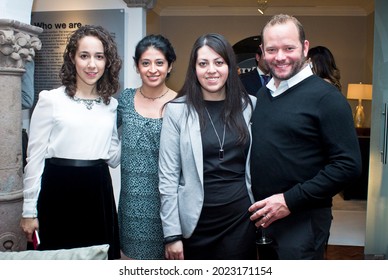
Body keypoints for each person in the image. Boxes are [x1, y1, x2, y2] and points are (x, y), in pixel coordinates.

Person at [248, 14, 362, 260]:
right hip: (266, 220)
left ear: (305, 47)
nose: (280, 57)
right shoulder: (264, 94)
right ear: (262, 52)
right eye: (272, 49)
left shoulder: (327, 99)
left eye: (289, 48)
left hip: (304, 222)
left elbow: (348, 166)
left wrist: (289, 200)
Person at [20, 25, 122, 260]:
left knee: (97, 262)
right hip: (57, 190)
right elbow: (34, 159)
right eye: (84, 56)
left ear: (107, 62)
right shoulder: (51, 99)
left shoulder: (111, 105)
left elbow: (113, 158)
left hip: (98, 191)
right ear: (72, 58)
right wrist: (28, 210)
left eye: (99, 57)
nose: (91, 64)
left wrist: (137, 128)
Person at [158, 33, 257, 260]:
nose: (211, 70)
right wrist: (172, 235)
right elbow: (167, 177)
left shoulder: (249, 105)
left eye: (218, 62)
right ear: (194, 69)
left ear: (230, 67)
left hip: (240, 220)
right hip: (195, 223)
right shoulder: (176, 111)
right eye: (203, 63)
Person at [117, 34, 177, 260]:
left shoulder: (180, 103)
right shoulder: (125, 100)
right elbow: (103, 133)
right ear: (137, 66)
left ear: (170, 66)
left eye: (159, 63)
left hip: (167, 205)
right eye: (146, 63)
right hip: (131, 205)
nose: (153, 69)